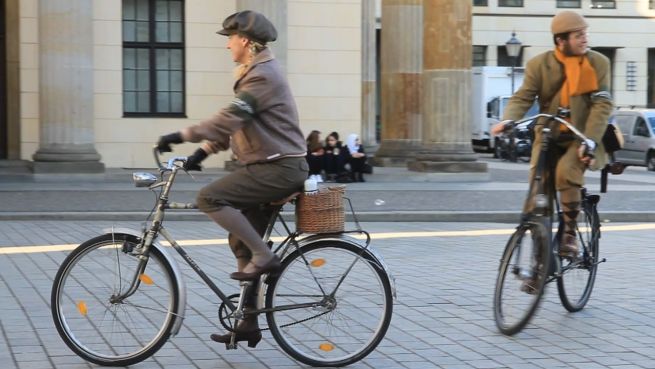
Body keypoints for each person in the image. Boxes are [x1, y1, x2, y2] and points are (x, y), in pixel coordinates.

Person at [156, 10, 308, 346]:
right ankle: (248, 323)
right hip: (269, 166)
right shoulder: (254, 72)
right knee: (241, 240)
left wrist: (181, 135)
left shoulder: (263, 76)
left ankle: (265, 257)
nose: (227, 46)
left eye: (230, 39)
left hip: (279, 169)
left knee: (209, 198)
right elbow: (237, 124)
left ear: (246, 42)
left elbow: (228, 118)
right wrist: (203, 153)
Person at [491, 11, 613, 292]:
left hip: (580, 138)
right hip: (548, 135)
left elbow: (602, 104)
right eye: (579, 35)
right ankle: (539, 267)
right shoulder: (539, 65)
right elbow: (523, 96)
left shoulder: (598, 63)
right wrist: (508, 119)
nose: (586, 39)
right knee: (537, 200)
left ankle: (569, 233)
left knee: (565, 173)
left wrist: (590, 140)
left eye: (586, 33)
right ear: (561, 41)